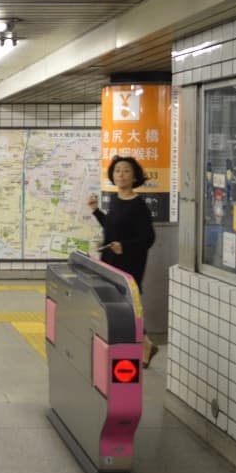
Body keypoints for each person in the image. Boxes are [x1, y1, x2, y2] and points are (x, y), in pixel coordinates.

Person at [87, 154, 158, 366]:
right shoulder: (117, 200)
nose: (121, 174)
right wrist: (96, 211)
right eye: (117, 170)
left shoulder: (138, 205)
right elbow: (112, 227)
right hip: (111, 260)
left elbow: (148, 238)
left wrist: (125, 246)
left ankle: (144, 344)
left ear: (135, 176)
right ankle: (141, 343)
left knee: (129, 305)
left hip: (130, 263)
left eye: (126, 170)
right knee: (122, 306)